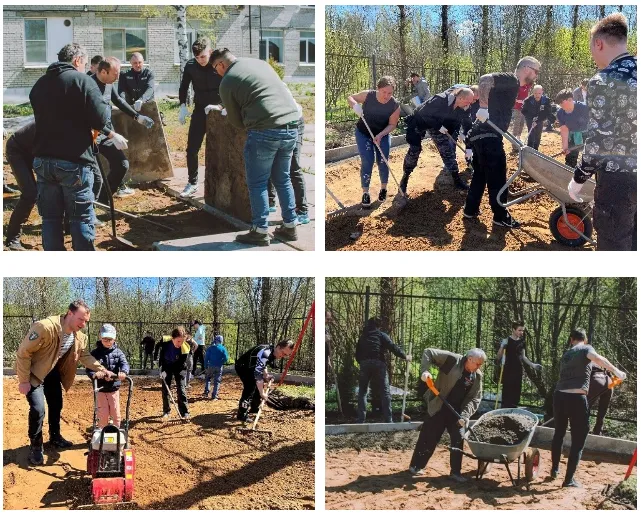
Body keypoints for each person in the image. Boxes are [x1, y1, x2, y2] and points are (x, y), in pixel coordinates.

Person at [212, 48, 301, 246]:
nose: (217, 73)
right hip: (291, 126)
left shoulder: (227, 80)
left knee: (258, 182)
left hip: (264, 132)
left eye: (215, 69)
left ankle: (260, 230)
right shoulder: (259, 63)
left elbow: (236, 121)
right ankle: (290, 226)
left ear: (220, 65)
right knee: (283, 179)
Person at [29, 43, 110, 251]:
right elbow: (101, 119)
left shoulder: (39, 84)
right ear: (77, 61)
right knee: (81, 218)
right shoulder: (82, 81)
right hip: (73, 162)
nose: (84, 68)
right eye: (83, 64)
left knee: (50, 219)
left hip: (43, 162)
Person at [568, 13, 637, 251]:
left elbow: (598, 141)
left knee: (614, 244)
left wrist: (578, 178)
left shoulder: (604, 79)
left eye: (592, 48)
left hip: (617, 180)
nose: (593, 54)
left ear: (599, 43)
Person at [15, 300, 111, 465]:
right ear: (70, 313)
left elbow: (84, 356)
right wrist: (24, 380)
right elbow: (23, 352)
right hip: (33, 373)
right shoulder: (45, 327)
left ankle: (55, 436)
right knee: (38, 410)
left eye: (86, 321)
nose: (83, 324)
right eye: (81, 319)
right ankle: (36, 445)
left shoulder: (79, 337)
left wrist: (102, 369)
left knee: (56, 405)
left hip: (52, 373)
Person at [462, 56, 541, 228]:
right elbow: (484, 80)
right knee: (498, 175)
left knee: (480, 173)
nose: (536, 76)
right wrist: (483, 107)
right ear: (527, 69)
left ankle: (470, 209)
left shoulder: (512, 87)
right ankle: (500, 215)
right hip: (489, 134)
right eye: (536, 72)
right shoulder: (511, 80)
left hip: (481, 135)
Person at [550, 328, 626, 487]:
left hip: (559, 396)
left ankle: (555, 469)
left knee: (559, 433)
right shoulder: (586, 348)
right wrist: (617, 372)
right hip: (576, 398)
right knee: (579, 437)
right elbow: (599, 359)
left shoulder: (566, 355)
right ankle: (569, 480)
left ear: (571, 340)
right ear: (584, 340)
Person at [409, 348, 486, 482]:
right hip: (439, 406)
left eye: (481, 364)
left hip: (457, 412)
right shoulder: (452, 361)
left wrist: (465, 415)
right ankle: (416, 466)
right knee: (429, 437)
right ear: (469, 359)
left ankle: (455, 472)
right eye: (478, 364)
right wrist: (425, 371)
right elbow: (428, 352)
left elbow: (474, 398)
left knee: (458, 437)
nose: (479, 367)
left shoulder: (477, 376)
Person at [92, 57, 155, 200]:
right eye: (115, 73)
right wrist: (112, 134)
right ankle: (88, 210)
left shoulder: (109, 83)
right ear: (103, 72)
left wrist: (137, 117)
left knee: (121, 165)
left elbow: (118, 101)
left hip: (107, 132)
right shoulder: (89, 86)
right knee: (94, 177)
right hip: (91, 136)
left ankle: (103, 199)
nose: (118, 77)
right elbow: (89, 117)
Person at [400, 87, 475, 193]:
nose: (469, 104)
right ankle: (405, 177)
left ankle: (457, 180)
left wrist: (468, 146)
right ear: (461, 98)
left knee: (447, 151)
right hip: (420, 122)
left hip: (439, 126)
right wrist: (438, 126)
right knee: (414, 150)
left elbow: (467, 124)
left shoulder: (464, 107)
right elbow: (424, 113)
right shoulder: (440, 99)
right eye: (468, 101)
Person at [178, 37, 222, 198]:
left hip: (219, 110)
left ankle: (221, 183)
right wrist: (183, 105)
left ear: (210, 52)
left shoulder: (219, 64)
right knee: (192, 148)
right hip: (200, 109)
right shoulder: (191, 66)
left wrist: (223, 106)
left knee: (219, 148)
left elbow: (230, 84)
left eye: (203, 56)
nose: (200, 60)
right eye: (197, 57)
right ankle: (192, 182)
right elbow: (184, 86)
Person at [347, 77, 401, 208]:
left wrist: (381, 134)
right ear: (378, 89)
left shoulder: (394, 105)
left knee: (383, 160)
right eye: (384, 92)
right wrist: (355, 106)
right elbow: (350, 97)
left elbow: (392, 124)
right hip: (363, 133)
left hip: (382, 135)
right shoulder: (368, 96)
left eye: (390, 93)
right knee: (367, 161)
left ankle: (383, 188)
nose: (387, 96)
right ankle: (365, 192)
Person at [355, 317, 411, 423]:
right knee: (385, 391)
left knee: (362, 392)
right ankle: (389, 420)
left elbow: (357, 354)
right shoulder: (381, 335)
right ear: (378, 326)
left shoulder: (362, 337)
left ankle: (361, 420)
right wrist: (405, 356)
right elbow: (392, 347)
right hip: (379, 362)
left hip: (365, 364)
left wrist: (363, 363)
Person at [267, 99, 310, 224]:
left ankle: (302, 210)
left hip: (293, 122)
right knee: (269, 159)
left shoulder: (270, 88)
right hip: (273, 122)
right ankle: (270, 200)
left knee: (293, 166)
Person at [234, 340, 294, 422]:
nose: (283, 356)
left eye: (286, 355)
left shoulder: (273, 352)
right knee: (250, 387)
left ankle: (254, 408)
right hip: (243, 367)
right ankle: (242, 414)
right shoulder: (266, 353)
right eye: (283, 353)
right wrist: (262, 394)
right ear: (278, 347)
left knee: (258, 386)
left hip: (252, 367)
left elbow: (263, 364)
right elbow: (258, 376)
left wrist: (266, 375)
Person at [86, 324, 130, 428]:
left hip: (113, 388)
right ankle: (102, 434)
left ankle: (116, 434)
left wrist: (123, 372)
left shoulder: (118, 353)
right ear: (100, 338)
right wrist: (95, 374)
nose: (108, 342)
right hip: (100, 389)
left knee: (116, 413)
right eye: (105, 339)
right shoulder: (95, 353)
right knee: (102, 414)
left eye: (110, 339)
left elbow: (125, 364)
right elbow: (89, 369)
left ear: (114, 339)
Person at [3, 121, 36, 250]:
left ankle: (67, 227)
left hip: (32, 150)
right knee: (30, 193)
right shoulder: (52, 123)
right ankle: (12, 238)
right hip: (17, 150)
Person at [495, 321, 543, 408]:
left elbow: (524, 357)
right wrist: (502, 346)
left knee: (516, 390)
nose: (521, 332)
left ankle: (514, 409)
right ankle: (505, 409)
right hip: (508, 369)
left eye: (522, 330)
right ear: (513, 330)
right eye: (519, 330)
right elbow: (498, 357)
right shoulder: (507, 341)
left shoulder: (522, 342)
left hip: (518, 369)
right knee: (507, 390)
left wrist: (533, 365)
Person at [158, 326, 191, 421]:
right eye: (178, 341)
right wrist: (159, 364)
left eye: (182, 341)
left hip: (179, 368)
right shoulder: (165, 341)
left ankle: (185, 412)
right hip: (166, 366)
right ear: (173, 338)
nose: (180, 344)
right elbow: (157, 348)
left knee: (181, 389)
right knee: (165, 388)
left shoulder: (185, 348)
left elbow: (181, 364)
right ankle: (166, 412)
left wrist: (177, 374)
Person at [554, 89, 589, 168]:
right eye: (559, 103)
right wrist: (565, 147)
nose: (560, 105)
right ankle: (569, 173)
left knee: (590, 159)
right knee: (570, 159)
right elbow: (564, 130)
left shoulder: (584, 108)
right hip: (572, 135)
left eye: (561, 102)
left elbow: (596, 121)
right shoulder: (560, 113)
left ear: (570, 100)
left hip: (587, 134)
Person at [521, 85, 553, 151]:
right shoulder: (528, 100)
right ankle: (529, 150)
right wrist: (532, 119)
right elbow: (524, 111)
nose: (537, 95)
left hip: (540, 119)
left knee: (538, 135)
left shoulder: (546, 100)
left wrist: (538, 120)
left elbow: (547, 112)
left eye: (539, 93)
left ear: (542, 92)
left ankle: (536, 150)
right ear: (533, 92)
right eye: (535, 93)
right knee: (531, 134)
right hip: (530, 119)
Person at [588, 365, 614, 436]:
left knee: (585, 406)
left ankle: (584, 429)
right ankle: (598, 431)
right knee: (603, 409)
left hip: (595, 379)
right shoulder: (600, 361)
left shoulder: (586, 359)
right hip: (608, 381)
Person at [510, 74, 532, 152]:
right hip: (517, 108)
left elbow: (532, 79)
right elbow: (513, 98)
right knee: (516, 125)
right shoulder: (517, 87)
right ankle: (514, 144)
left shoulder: (527, 86)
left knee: (522, 124)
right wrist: (522, 101)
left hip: (524, 109)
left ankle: (518, 140)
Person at [204, 335, 229, 399]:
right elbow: (226, 358)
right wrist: (221, 362)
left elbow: (206, 358)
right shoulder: (223, 348)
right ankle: (214, 396)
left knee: (208, 378)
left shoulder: (210, 348)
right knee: (217, 381)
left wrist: (206, 366)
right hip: (219, 366)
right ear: (221, 341)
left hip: (210, 366)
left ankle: (206, 392)